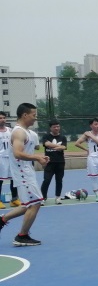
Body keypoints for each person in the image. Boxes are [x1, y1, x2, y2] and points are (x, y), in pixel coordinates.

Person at [0, 103, 50, 245]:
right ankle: (22, 236)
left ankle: (2, 220)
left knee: (28, 204)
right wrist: (37, 158)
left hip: (27, 172)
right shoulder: (18, 132)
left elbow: (27, 152)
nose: (35, 118)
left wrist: (40, 158)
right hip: (22, 173)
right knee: (36, 203)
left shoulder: (28, 133)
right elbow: (17, 153)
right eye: (34, 115)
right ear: (25, 115)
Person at [40, 120, 67, 204]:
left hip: (60, 162)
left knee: (59, 180)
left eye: (58, 126)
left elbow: (64, 147)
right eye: (54, 127)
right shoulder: (46, 136)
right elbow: (47, 144)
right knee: (46, 180)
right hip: (49, 162)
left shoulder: (63, 137)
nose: (56, 128)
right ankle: (43, 197)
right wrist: (59, 146)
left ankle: (58, 197)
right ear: (50, 128)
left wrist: (53, 146)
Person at [0, 111, 21, 209]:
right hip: (1, 158)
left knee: (14, 179)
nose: (2, 120)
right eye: (0, 118)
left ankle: (14, 199)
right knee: (0, 180)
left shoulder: (10, 130)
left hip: (11, 158)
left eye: (4, 118)